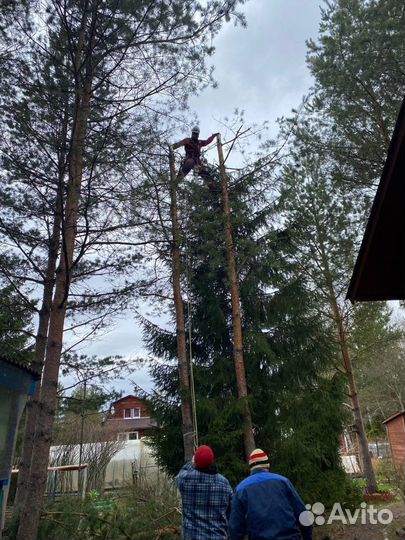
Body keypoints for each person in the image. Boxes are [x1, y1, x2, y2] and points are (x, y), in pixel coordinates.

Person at [229, 449, 313, 540]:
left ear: (250, 468)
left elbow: (234, 528)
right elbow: (303, 514)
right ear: (267, 465)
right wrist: (307, 537)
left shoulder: (240, 489)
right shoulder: (283, 481)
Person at [176, 445, 233, 540]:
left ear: (196, 461)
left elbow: (181, 473)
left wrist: (191, 462)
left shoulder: (184, 480)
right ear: (212, 461)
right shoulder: (224, 483)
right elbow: (230, 512)